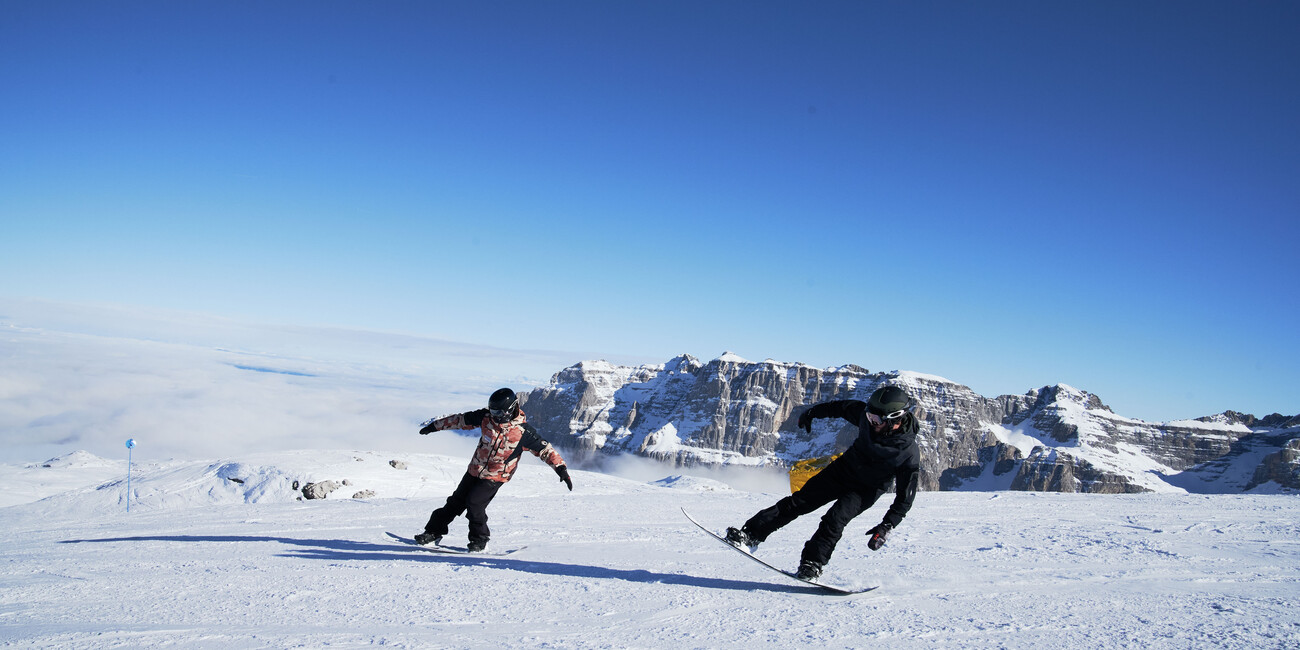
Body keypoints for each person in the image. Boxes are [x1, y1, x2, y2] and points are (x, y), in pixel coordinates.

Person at [725, 385, 921, 580]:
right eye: (869, 416)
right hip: (843, 470)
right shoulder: (867, 418)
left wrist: (887, 525)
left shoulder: (908, 453)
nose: (870, 421)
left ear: (895, 419)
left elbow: (905, 497)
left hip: (865, 490)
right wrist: (812, 413)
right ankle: (750, 535)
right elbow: (840, 408)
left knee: (834, 520)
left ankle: (812, 565)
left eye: (876, 419)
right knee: (798, 502)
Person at [414, 387, 573, 552]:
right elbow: (460, 420)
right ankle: (433, 533)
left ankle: (480, 541)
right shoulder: (486, 417)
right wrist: (435, 426)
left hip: (495, 476)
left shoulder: (523, 433)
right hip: (475, 469)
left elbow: (546, 450)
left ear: (509, 410)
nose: (494, 415)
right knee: (455, 502)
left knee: (475, 504)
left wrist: (561, 468)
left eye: (497, 412)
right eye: (492, 410)